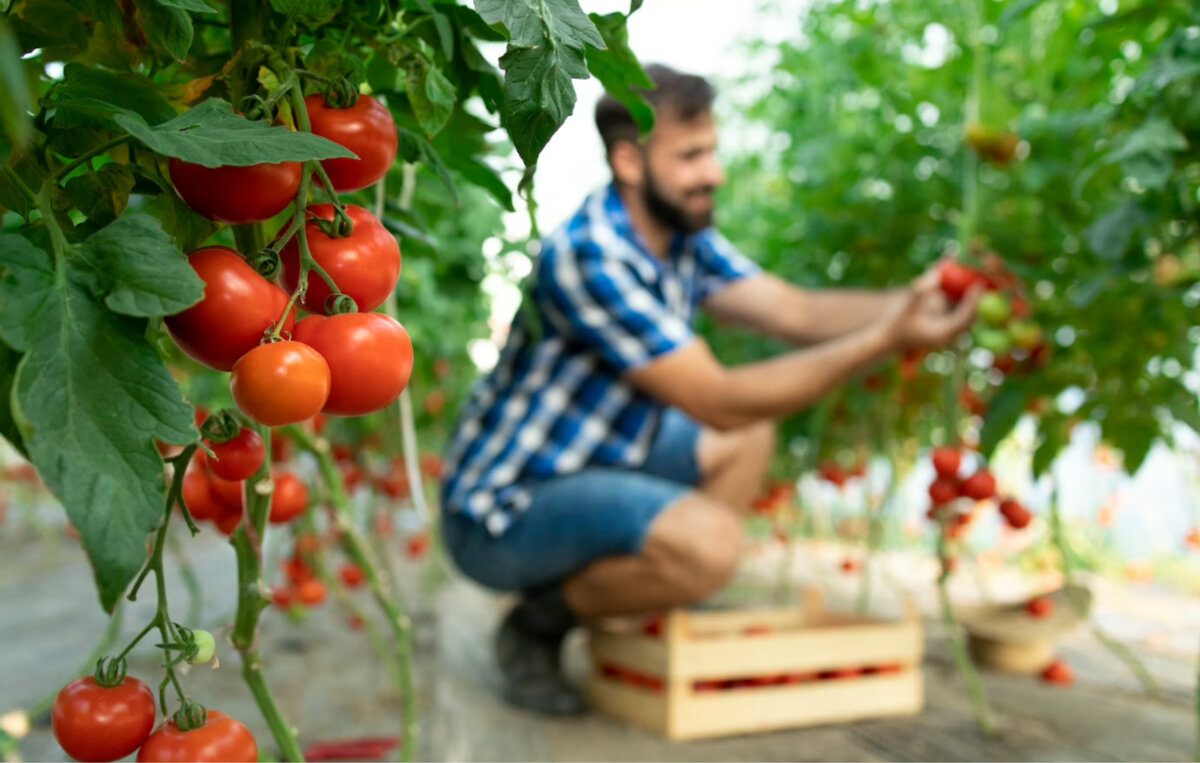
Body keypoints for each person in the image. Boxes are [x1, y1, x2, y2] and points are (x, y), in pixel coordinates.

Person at [439, 64, 981, 715]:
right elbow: (715, 398)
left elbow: (797, 312)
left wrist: (912, 302)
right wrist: (887, 338)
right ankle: (539, 623)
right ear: (630, 162)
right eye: (691, 155)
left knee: (748, 437)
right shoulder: (593, 253)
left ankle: (651, 593)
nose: (714, 173)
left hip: (601, 460)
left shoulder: (683, 239)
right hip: (504, 510)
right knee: (714, 542)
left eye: (712, 150)